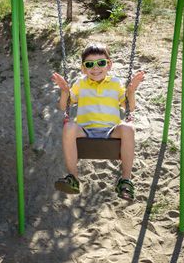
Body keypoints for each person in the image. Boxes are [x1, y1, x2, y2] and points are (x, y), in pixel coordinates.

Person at [51, 43, 144, 200]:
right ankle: (73, 178)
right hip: (85, 130)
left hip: (110, 130)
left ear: (109, 65)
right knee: (69, 127)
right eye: (89, 64)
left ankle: (126, 180)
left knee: (128, 128)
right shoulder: (80, 83)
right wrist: (65, 91)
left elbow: (130, 107)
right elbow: (63, 106)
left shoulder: (115, 83)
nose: (95, 68)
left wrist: (131, 91)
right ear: (83, 68)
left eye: (101, 63)